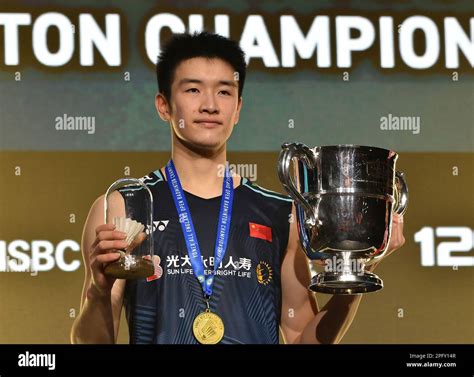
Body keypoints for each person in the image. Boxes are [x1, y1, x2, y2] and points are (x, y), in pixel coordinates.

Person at [70, 32, 405, 344]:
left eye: (224, 91)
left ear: (239, 108)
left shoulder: (280, 213)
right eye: (192, 90)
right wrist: (98, 292)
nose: (210, 105)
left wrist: (361, 268)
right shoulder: (122, 206)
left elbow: (304, 337)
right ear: (163, 105)